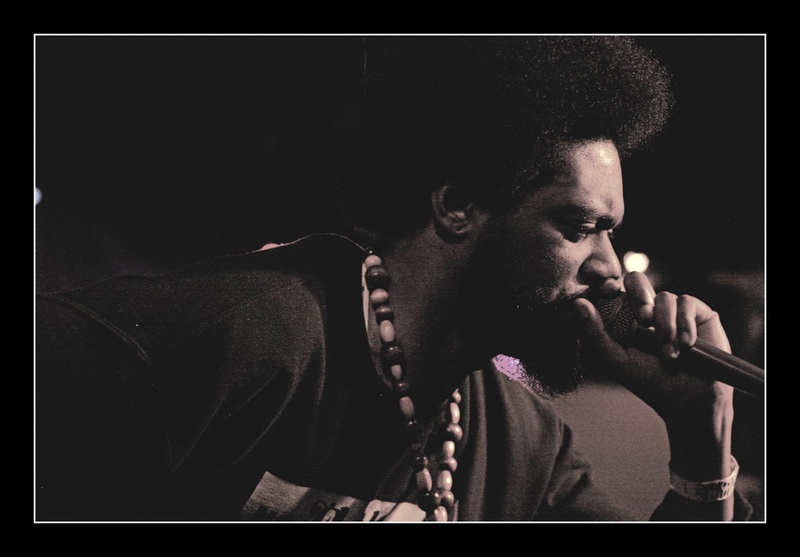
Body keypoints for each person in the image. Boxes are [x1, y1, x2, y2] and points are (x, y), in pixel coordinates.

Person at [35, 36, 755, 522]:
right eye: (578, 227)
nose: (607, 268)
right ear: (458, 204)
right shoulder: (254, 337)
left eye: (610, 229)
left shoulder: (524, 442)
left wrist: (701, 439)